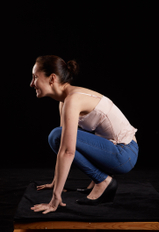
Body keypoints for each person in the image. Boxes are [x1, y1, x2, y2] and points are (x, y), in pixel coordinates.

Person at [30, 55, 138, 214]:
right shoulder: (64, 101)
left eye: (35, 77)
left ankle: (102, 181)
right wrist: (55, 182)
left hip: (125, 154)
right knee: (59, 137)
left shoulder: (73, 99)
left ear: (52, 78)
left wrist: (55, 199)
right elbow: (63, 147)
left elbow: (68, 151)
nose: (32, 83)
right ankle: (101, 179)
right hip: (115, 152)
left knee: (56, 135)